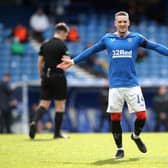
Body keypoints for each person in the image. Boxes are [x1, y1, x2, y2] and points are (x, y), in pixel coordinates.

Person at [57, 11, 168, 159]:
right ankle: (120, 148)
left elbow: (155, 46)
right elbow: (91, 50)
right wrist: (74, 61)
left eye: (124, 21)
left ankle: (135, 136)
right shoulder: (107, 39)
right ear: (115, 23)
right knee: (115, 118)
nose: (122, 24)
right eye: (119, 21)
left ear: (129, 23)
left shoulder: (136, 38)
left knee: (142, 116)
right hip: (115, 86)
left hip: (132, 84)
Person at [29, 22, 70, 139]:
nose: (66, 37)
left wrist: (42, 75)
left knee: (43, 104)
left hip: (46, 76)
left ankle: (34, 121)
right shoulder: (62, 45)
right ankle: (57, 133)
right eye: (66, 35)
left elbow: (40, 62)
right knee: (60, 106)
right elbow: (67, 61)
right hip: (59, 77)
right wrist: (68, 64)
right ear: (62, 32)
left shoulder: (45, 44)